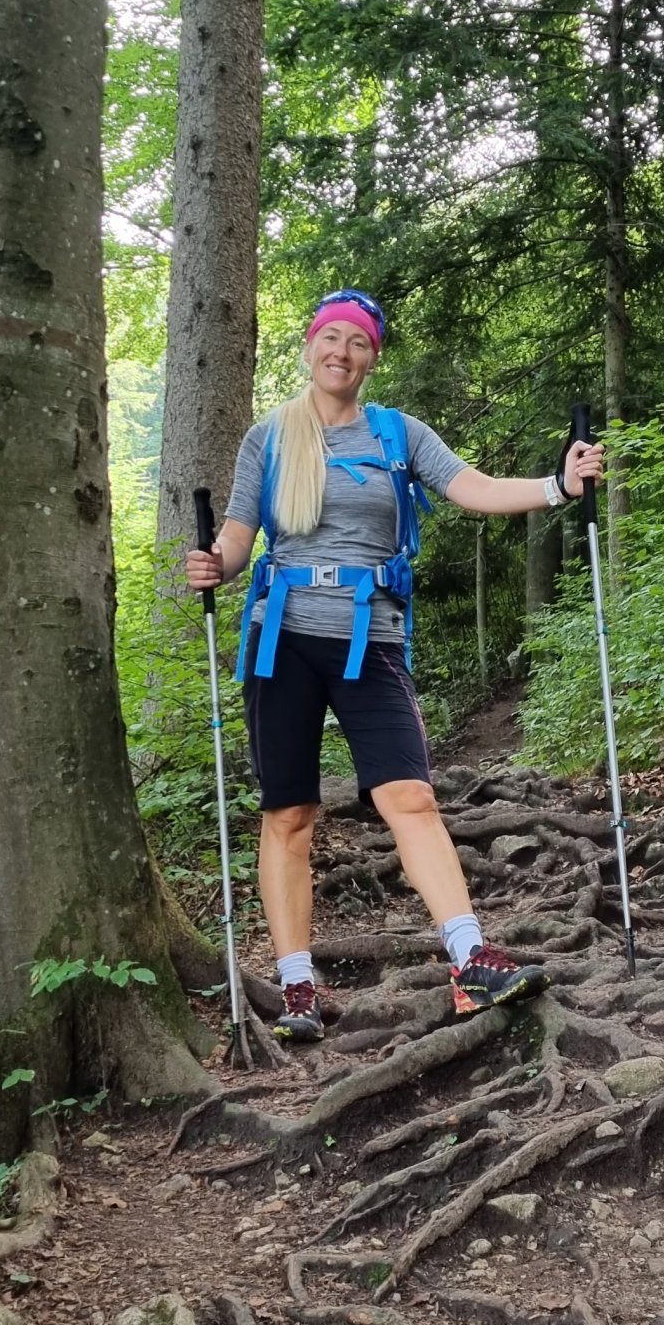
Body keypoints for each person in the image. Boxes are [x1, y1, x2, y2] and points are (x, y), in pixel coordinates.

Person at [184, 287, 605, 1042]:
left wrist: (559, 487)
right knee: (289, 813)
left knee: (409, 795)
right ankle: (298, 988)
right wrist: (215, 562)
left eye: (358, 343)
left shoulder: (398, 434)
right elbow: (241, 535)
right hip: (281, 640)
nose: (341, 352)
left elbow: (470, 487)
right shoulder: (270, 438)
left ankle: (471, 958)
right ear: (310, 347)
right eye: (330, 338)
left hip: (370, 638)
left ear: (372, 358)